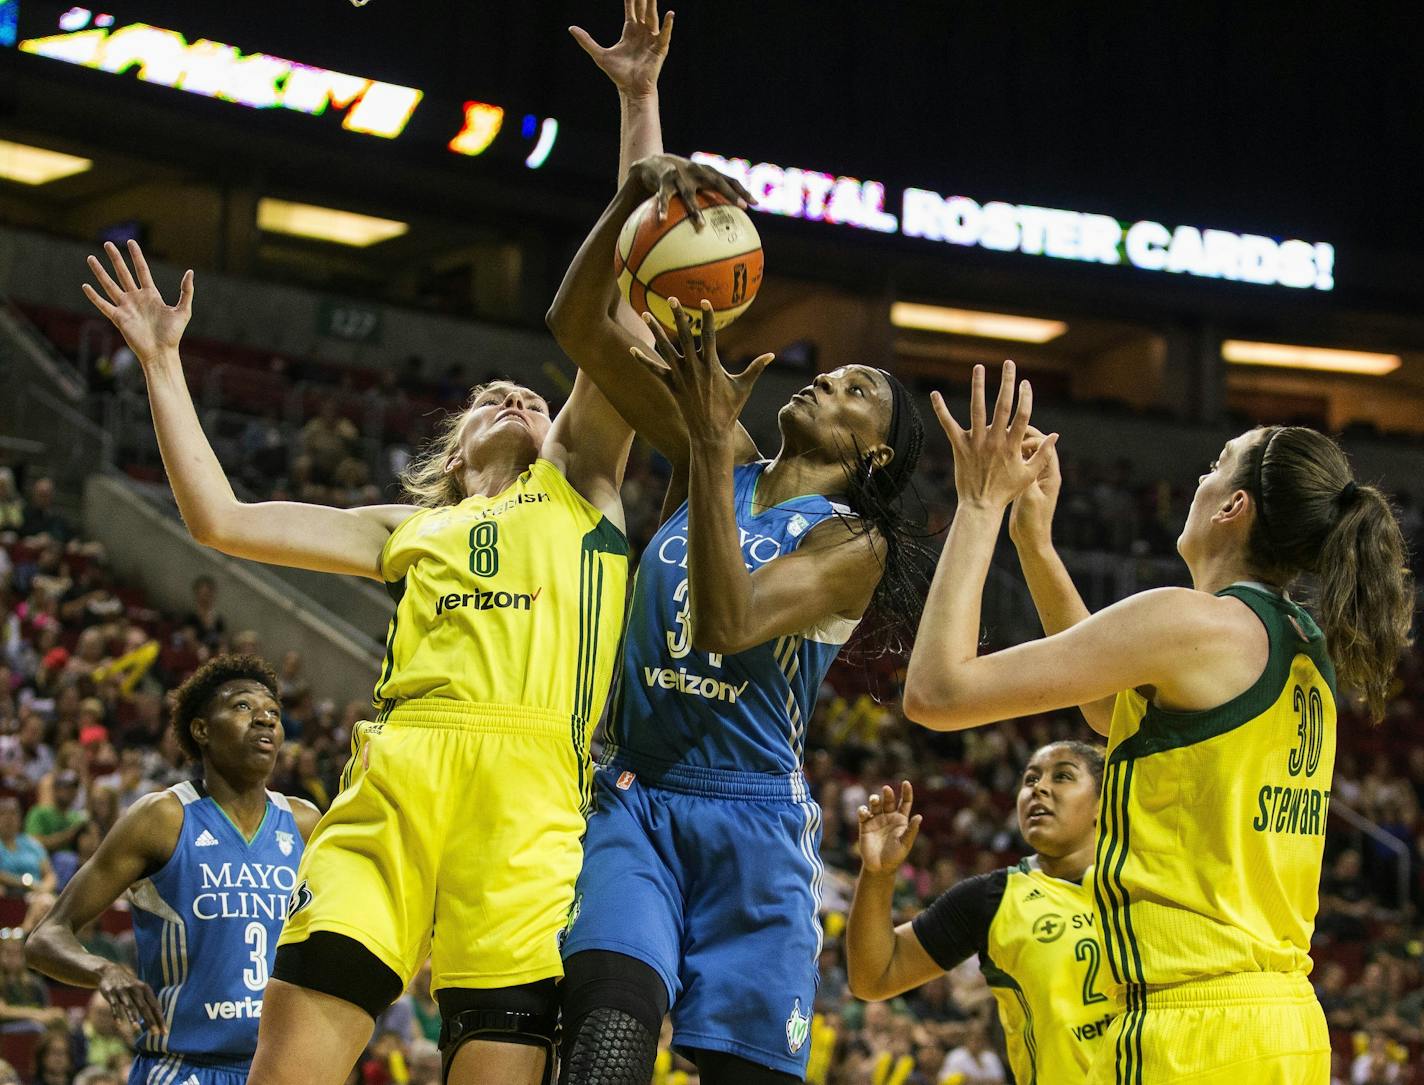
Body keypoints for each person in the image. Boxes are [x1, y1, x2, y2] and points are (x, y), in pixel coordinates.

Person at [82, 229, 633, 1085]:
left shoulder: (583, 487)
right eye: (495, 396)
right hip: (399, 783)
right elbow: (219, 519)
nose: (521, 396)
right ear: (453, 455)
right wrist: (160, 361)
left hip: (529, 803)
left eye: (532, 394)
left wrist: (640, 111)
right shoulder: (407, 527)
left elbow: (620, 298)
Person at [548, 21, 928, 1079]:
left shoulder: (851, 541)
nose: (822, 378)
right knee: (607, 1037)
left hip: (752, 824)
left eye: (855, 389)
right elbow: (578, 323)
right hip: (636, 792)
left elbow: (728, 622)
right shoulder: (709, 451)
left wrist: (710, 448)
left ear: (876, 452)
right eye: (826, 369)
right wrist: (635, 200)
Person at [900, 363, 1414, 1084]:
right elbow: (1112, 711)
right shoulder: (1302, 644)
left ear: (1233, 506)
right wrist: (1036, 546)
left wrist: (979, 505)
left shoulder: (1190, 620)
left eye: (1214, 465)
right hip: (1285, 1027)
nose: (1197, 480)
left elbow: (936, 691)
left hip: (1193, 1032)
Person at [25, 655, 320, 1085]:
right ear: (201, 729)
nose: (264, 721)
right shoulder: (162, 818)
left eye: (273, 714)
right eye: (242, 707)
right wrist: (105, 970)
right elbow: (45, 937)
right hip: (182, 1068)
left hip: (275, 1070)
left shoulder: (304, 822)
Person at [846, 743, 1116, 1085]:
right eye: (1030, 779)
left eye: (1062, 776)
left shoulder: (1154, 882)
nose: (1039, 788)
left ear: (1102, 802)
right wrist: (878, 875)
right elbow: (874, 977)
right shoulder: (992, 898)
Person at [0, 796, 56, 900]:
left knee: (47, 900)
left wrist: (44, 889)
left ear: (21, 818)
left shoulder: (32, 843)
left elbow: (49, 874)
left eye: (13, 813)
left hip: (38, 894)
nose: (9, 818)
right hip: (9, 893)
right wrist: (24, 883)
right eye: (3, 813)